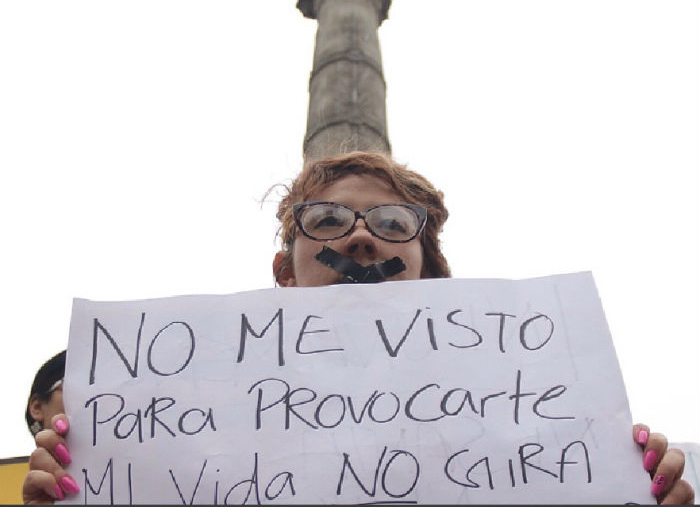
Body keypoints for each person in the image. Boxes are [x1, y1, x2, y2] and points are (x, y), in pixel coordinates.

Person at [22, 152, 695, 504]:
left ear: (432, 273)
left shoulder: (540, 424)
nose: (363, 238)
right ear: (284, 270)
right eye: (327, 220)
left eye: (396, 224)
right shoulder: (173, 420)